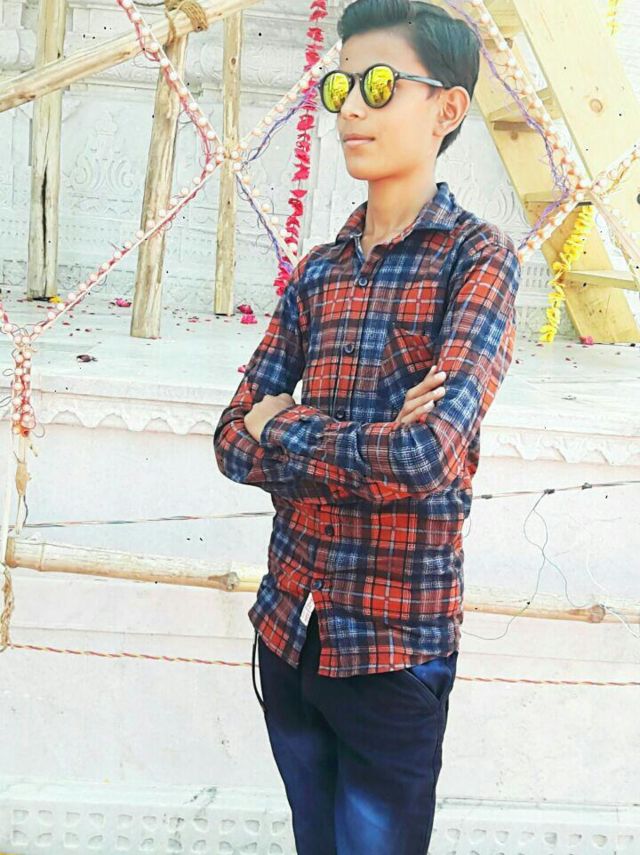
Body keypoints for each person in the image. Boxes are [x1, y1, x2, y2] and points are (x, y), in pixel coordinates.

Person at [213, 1, 521, 851]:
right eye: (342, 85)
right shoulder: (318, 273)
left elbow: (427, 454)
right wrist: (343, 437)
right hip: (289, 625)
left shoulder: (478, 261)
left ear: (447, 108)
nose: (351, 105)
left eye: (379, 84)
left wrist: (286, 425)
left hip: (393, 646)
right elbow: (230, 437)